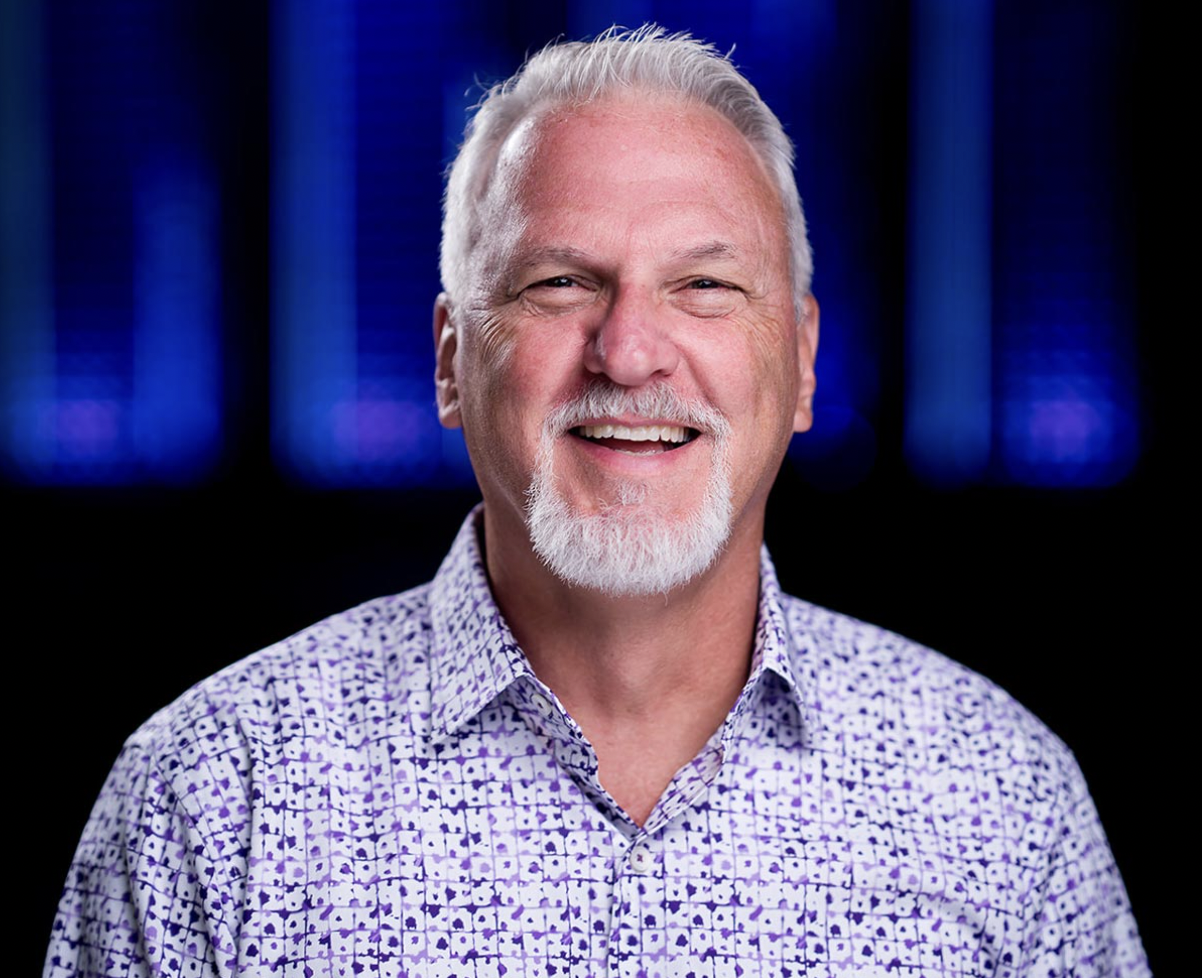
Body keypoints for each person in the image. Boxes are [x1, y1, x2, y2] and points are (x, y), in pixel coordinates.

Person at [46, 27, 1147, 978]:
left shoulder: (995, 794)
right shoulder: (212, 796)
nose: (627, 350)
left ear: (803, 365)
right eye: (559, 283)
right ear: (447, 360)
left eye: (704, 286)